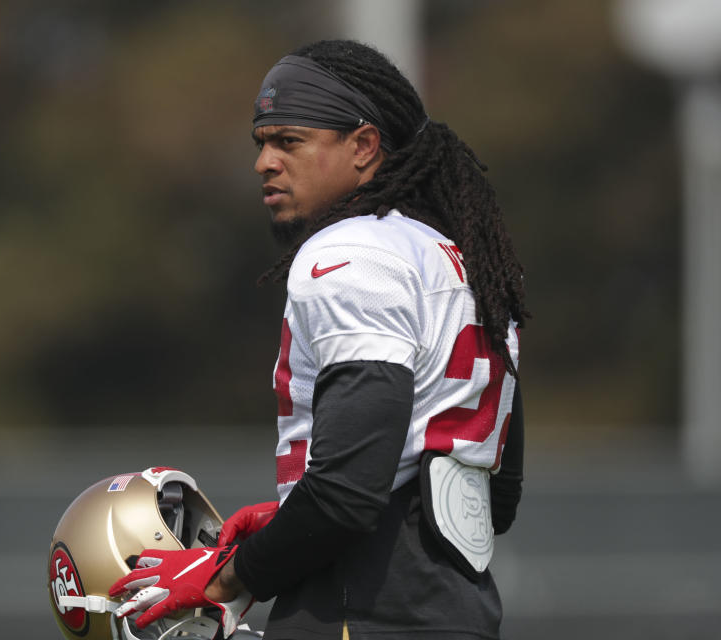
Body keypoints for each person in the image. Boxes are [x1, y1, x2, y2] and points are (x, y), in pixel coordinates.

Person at [110, 39, 529, 640]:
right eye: (261, 143)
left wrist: (225, 580)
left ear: (363, 147)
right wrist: (293, 516)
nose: (264, 163)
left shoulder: (351, 252)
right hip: (459, 613)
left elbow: (346, 495)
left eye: (289, 141)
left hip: (358, 612)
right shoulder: (466, 262)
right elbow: (498, 495)